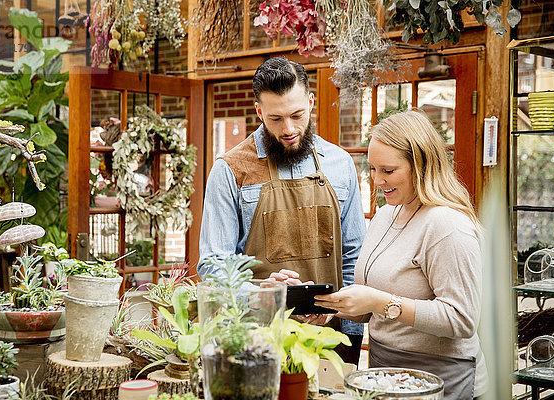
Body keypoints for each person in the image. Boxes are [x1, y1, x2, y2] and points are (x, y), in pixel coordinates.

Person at [197, 57, 367, 363]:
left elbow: (354, 260)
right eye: (275, 119)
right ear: (259, 111)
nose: (288, 129)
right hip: (255, 341)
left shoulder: (340, 165)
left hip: (329, 340)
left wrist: (347, 330)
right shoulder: (230, 170)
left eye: (297, 115)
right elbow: (213, 267)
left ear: (311, 103)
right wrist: (262, 293)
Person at [308, 110, 487, 399]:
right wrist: (330, 309)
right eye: (373, 169)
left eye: (388, 171)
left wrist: (381, 302)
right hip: (385, 374)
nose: (377, 180)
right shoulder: (385, 215)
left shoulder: (447, 225)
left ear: (422, 165)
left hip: (441, 377)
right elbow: (378, 302)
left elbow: (462, 319)